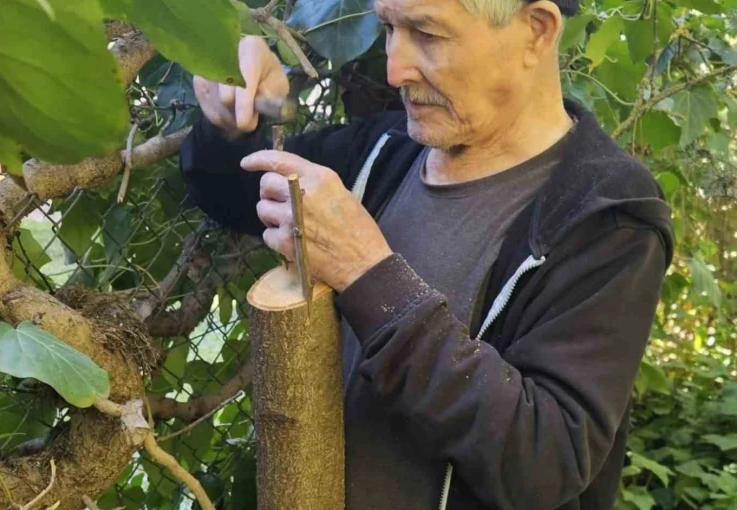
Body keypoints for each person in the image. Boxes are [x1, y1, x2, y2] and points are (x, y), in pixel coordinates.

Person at [179, 0, 673, 508]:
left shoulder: (605, 214)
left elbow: (546, 460)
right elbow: (233, 195)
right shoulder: (386, 150)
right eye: (390, 28)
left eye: (429, 35)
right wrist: (229, 121)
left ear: (536, 31)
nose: (394, 68)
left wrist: (366, 273)